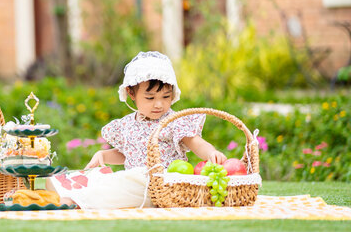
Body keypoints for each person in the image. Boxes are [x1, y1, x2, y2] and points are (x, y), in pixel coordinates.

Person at [47, 51, 227, 209]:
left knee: (125, 182)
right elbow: (130, 154)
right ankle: (68, 192)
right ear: (131, 94)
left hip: (159, 186)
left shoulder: (172, 121)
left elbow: (194, 141)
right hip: (133, 182)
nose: (159, 104)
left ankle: (77, 200)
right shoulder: (127, 124)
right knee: (104, 179)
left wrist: (211, 153)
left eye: (166, 96)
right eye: (150, 98)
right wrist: (104, 155)